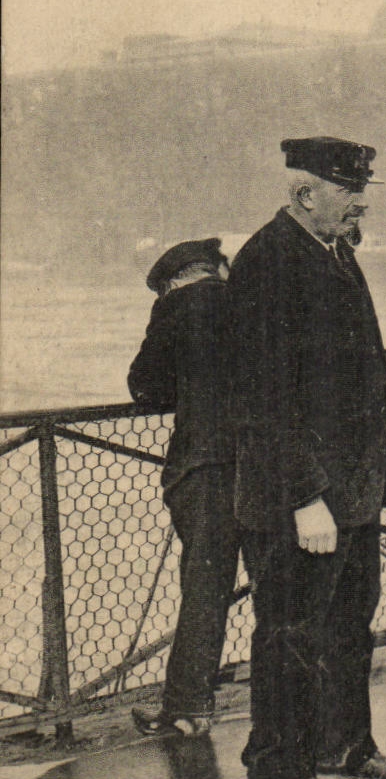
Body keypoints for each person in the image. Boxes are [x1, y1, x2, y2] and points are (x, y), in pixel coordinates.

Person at [229, 136, 386, 779]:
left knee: (346, 626)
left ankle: (344, 751)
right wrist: (305, 496)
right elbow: (262, 396)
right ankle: (276, 776)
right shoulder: (268, 262)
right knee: (290, 634)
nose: (361, 201)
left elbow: (335, 362)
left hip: (350, 496)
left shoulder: (332, 252)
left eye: (361, 188)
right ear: (305, 193)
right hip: (303, 501)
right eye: (348, 190)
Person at [127, 238, 240, 737]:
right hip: (272, 468)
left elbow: (146, 388)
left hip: (205, 469)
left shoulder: (177, 308)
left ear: (173, 282)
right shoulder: (256, 300)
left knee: (205, 588)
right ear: (217, 268)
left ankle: (189, 709)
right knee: (283, 589)